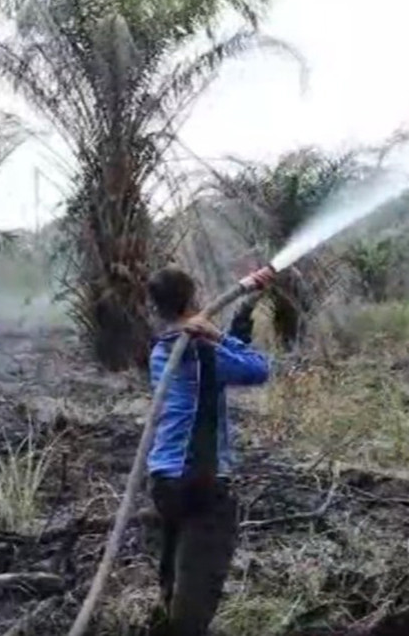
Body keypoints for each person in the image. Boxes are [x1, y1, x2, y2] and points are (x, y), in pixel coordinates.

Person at [145, 265, 274, 636]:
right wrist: (218, 337)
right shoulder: (198, 350)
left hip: (164, 480)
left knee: (174, 576)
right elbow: (257, 370)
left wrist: (243, 311)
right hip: (199, 479)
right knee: (198, 588)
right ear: (194, 297)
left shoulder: (163, 348)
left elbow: (221, 362)